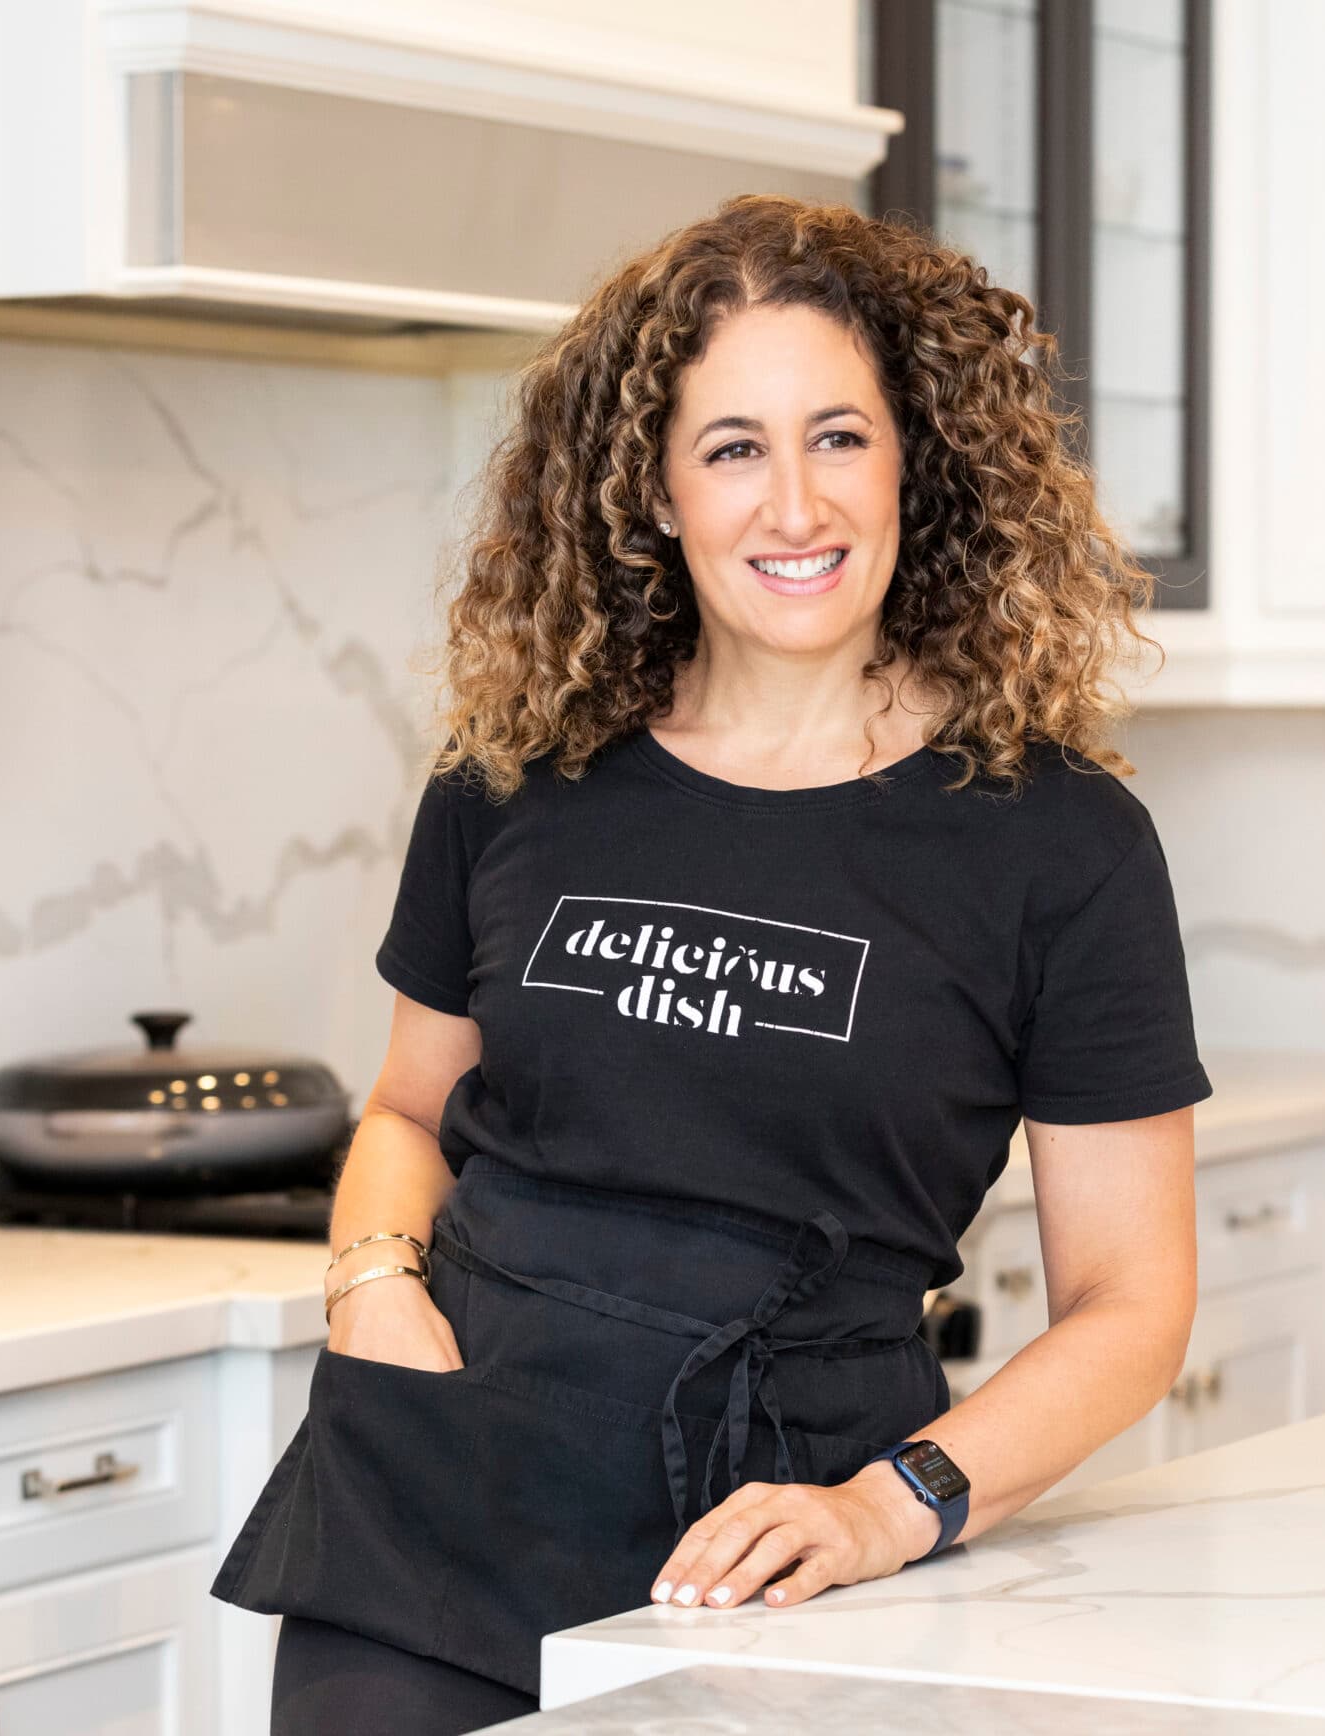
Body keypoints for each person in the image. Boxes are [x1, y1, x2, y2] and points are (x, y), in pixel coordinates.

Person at [212, 193, 1209, 1734]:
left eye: (840, 438)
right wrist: (370, 1289)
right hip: (432, 1500)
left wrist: (894, 1506)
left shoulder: (1057, 844)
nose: (794, 504)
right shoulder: (517, 776)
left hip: (778, 1556)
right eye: (733, 447)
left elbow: (1132, 1304)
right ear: (657, 495)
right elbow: (408, 1116)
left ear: (915, 466)